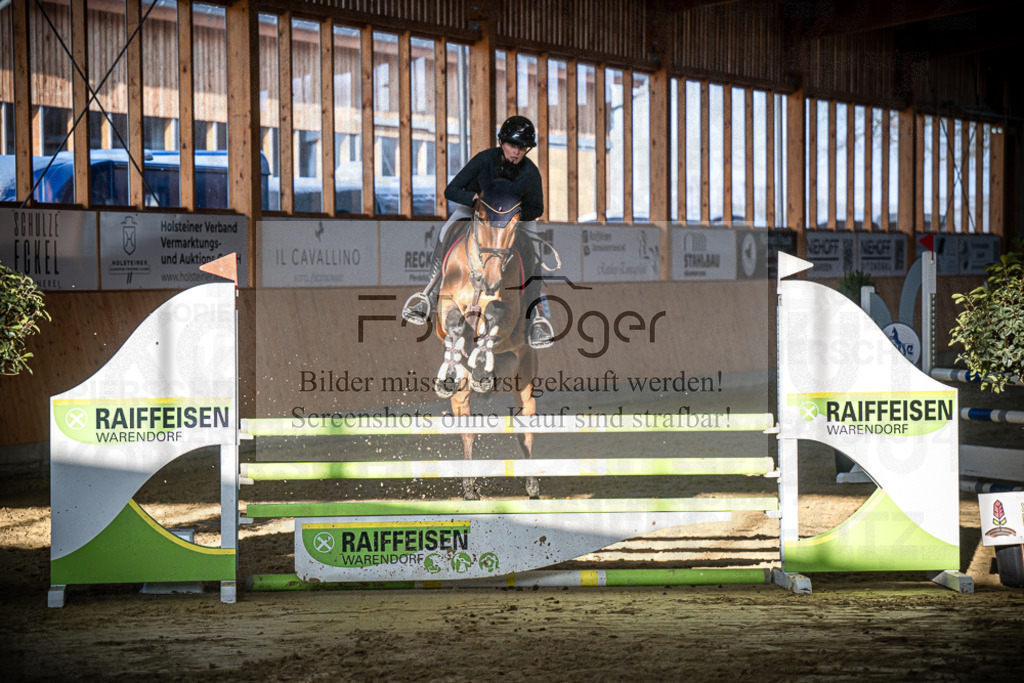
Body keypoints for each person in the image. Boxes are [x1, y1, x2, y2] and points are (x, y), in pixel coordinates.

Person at [401, 115, 553, 349]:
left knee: (535, 248)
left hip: (513, 219)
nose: (516, 152)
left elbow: (538, 208)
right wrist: (473, 198)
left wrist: (516, 213)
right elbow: (451, 190)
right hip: (476, 210)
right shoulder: (485, 160)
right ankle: (428, 296)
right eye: (512, 145)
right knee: (446, 231)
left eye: (522, 148)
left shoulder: (530, 171)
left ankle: (535, 316)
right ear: (502, 142)